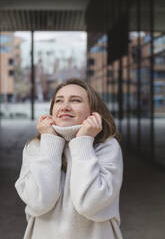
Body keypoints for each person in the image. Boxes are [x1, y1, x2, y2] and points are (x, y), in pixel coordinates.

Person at [15, 78, 123, 239]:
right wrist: (50, 143)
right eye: (59, 101)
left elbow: (90, 204)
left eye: (75, 100)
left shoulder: (107, 147)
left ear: (93, 111)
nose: (65, 107)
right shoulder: (35, 147)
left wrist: (83, 142)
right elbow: (39, 202)